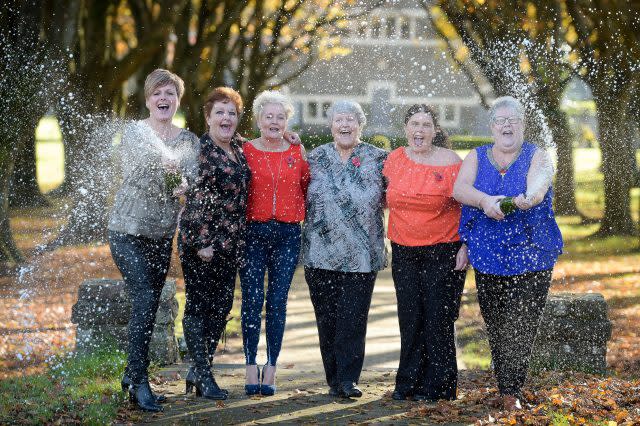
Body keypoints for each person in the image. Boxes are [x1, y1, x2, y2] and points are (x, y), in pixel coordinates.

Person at [452, 96, 563, 410]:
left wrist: (530, 197)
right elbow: (460, 190)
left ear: (523, 125)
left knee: (521, 321)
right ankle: (505, 383)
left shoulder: (536, 155)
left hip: (532, 254)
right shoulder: (476, 156)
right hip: (489, 254)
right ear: (491, 126)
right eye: (500, 120)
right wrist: (486, 201)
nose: (506, 125)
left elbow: (539, 185)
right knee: (497, 322)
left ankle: (511, 390)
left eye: (513, 120)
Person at [108, 69, 198, 412]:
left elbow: (192, 179)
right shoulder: (135, 134)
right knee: (145, 296)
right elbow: (133, 171)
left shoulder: (189, 140)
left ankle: (133, 377)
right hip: (126, 231)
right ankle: (138, 378)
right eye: (158, 93)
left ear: (178, 100)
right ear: (147, 100)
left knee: (148, 302)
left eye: (170, 93)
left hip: (161, 236)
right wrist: (162, 165)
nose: (164, 99)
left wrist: (184, 187)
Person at [301, 100, 387, 398]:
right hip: (319, 253)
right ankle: (333, 378)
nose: (345, 125)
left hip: (362, 255)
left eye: (351, 119)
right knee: (326, 318)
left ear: (360, 125)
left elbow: (399, 196)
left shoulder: (378, 158)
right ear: (331, 125)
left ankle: (349, 378)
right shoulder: (314, 158)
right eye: (340, 120)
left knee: (353, 318)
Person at [383, 104, 468, 402]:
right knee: (410, 317)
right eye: (414, 124)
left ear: (435, 130)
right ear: (406, 128)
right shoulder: (393, 159)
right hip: (403, 250)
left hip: (444, 249)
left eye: (426, 125)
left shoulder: (452, 163)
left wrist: (465, 245)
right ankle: (408, 383)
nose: (419, 130)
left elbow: (468, 206)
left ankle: (441, 386)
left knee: (438, 317)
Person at [178, 87, 251, 400]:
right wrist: (200, 242)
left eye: (231, 112)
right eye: (220, 112)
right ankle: (204, 374)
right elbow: (190, 200)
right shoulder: (197, 152)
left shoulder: (240, 147)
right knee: (198, 306)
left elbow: (269, 145)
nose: (226, 118)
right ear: (208, 117)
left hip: (230, 244)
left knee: (221, 308)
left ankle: (199, 370)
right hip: (202, 244)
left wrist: (290, 138)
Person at [239, 90, 310, 396]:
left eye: (280, 117)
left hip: (288, 235)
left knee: (277, 303)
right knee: (253, 301)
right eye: (269, 116)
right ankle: (250, 364)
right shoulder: (244, 151)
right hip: (252, 234)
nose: (274, 121)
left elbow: (307, 187)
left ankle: (272, 365)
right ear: (258, 119)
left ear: (287, 121)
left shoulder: (296, 151)